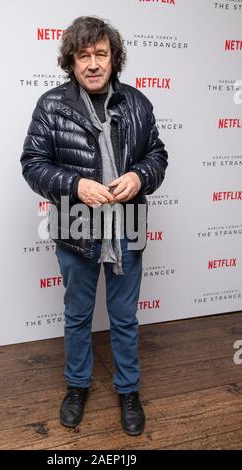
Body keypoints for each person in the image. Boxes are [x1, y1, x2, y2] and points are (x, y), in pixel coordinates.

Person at [20, 16, 168, 436]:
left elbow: (157, 156)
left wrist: (140, 176)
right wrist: (75, 184)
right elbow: (33, 165)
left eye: (100, 54)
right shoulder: (52, 104)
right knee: (77, 314)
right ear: (71, 60)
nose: (92, 64)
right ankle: (78, 386)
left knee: (124, 317)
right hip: (75, 223)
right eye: (83, 55)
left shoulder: (138, 103)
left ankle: (128, 389)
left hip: (129, 223)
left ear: (113, 58)